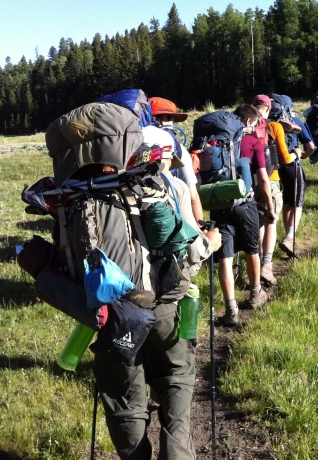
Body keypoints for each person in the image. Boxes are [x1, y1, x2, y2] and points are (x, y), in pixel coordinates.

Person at [94, 126, 221, 460]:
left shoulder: (88, 193)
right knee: (175, 378)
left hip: (111, 315)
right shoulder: (169, 186)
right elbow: (186, 254)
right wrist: (212, 243)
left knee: (125, 399)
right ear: (160, 154)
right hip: (163, 306)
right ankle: (177, 452)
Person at [211, 105, 272, 325]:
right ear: (247, 122)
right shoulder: (252, 143)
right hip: (245, 204)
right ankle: (256, 293)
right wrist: (270, 207)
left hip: (218, 203)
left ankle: (230, 309)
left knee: (225, 257)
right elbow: (263, 179)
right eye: (255, 124)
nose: (256, 128)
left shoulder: (214, 142)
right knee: (252, 249)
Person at [252, 95, 301, 282]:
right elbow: (285, 158)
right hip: (270, 179)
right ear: (268, 108)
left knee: (258, 222)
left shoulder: (245, 125)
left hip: (250, 181)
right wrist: (296, 154)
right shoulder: (274, 127)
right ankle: (267, 264)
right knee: (271, 220)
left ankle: (255, 262)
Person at [149, 97, 204, 223]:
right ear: (164, 119)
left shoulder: (134, 142)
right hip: (168, 215)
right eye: (172, 119)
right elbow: (193, 196)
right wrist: (202, 227)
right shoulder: (177, 148)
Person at [276, 108, 315, 257]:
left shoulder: (268, 123)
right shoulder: (295, 122)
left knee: (286, 201)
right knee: (296, 202)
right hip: (292, 166)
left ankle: (287, 236)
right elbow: (310, 146)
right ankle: (289, 236)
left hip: (272, 168)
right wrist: (303, 155)